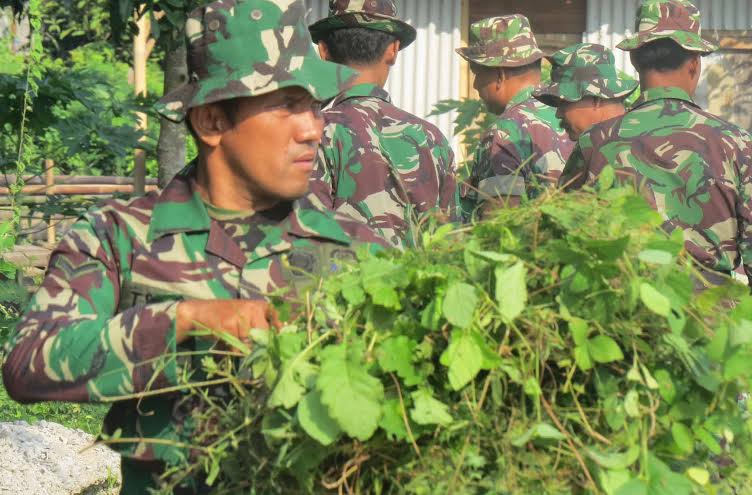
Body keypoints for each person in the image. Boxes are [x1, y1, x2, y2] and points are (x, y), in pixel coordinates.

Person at [1, 0, 390, 492]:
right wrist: (184, 321)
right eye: (289, 104)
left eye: (314, 105)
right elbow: (28, 362)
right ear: (211, 123)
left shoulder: (358, 253)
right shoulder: (118, 238)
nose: (313, 129)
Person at [558, 0, 752, 287]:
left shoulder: (595, 143)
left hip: (628, 313)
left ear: (635, 61)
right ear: (694, 64)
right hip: (713, 317)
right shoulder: (737, 144)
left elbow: (565, 236)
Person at [308, 0, 459, 248]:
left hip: (339, 282)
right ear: (393, 50)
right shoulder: (431, 138)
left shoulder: (312, 133)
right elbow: (450, 240)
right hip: (419, 284)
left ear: (323, 51)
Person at [456, 15, 573, 216]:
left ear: (500, 75)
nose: (475, 85)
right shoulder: (569, 114)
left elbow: (498, 224)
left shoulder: (506, 131)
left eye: (477, 73)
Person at [533, 43, 638, 142]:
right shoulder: (598, 145)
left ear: (597, 97)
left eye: (564, 102)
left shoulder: (635, 146)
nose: (558, 114)